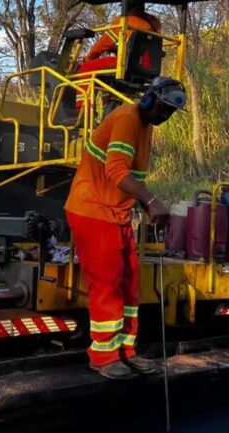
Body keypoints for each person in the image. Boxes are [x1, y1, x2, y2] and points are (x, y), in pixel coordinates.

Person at [65, 77, 186, 379]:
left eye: (170, 112)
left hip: (115, 214)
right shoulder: (125, 119)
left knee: (130, 282)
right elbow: (116, 170)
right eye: (164, 108)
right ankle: (104, 356)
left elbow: (130, 177)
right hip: (93, 210)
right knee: (107, 282)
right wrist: (152, 200)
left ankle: (126, 351)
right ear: (149, 99)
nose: (165, 116)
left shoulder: (144, 126)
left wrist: (147, 206)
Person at [83, 0, 162, 63]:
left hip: (127, 64)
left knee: (86, 69)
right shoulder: (154, 23)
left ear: (128, 6)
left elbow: (102, 45)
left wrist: (88, 59)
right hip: (150, 65)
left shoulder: (122, 21)